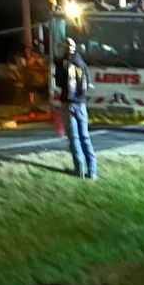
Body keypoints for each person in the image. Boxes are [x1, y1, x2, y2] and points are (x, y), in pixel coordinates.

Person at [56, 36, 96, 179]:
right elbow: (88, 83)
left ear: (64, 49)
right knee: (85, 136)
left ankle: (78, 169)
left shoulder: (62, 63)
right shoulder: (82, 63)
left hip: (68, 103)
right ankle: (92, 170)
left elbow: (60, 83)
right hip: (82, 104)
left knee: (74, 137)